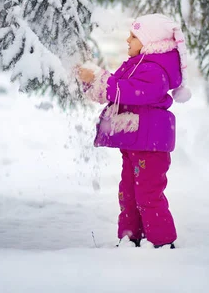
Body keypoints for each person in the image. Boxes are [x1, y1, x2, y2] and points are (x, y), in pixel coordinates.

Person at [77, 13, 191, 248]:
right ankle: (131, 237)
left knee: (148, 194)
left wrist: (100, 78)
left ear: (149, 41)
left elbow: (127, 90)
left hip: (150, 144)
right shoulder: (137, 66)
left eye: (134, 36)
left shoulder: (154, 70)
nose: (127, 40)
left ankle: (161, 242)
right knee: (128, 193)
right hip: (136, 142)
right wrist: (88, 80)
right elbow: (111, 89)